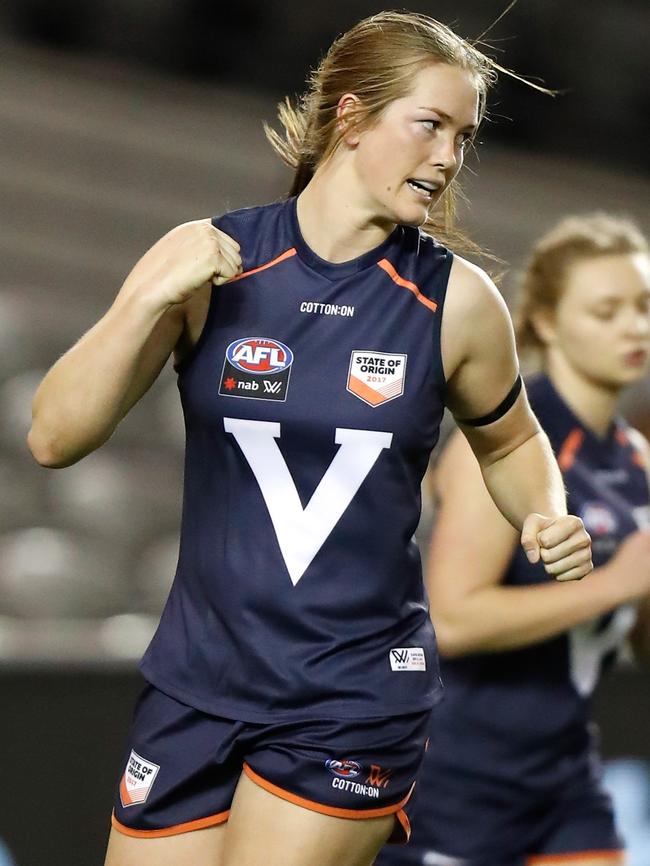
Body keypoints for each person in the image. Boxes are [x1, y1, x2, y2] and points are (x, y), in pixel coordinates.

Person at [27, 12, 592, 866]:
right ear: (352, 117)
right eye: (430, 125)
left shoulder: (457, 302)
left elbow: (511, 442)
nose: (448, 158)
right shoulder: (207, 257)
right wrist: (144, 302)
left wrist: (545, 515)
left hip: (354, 691)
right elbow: (52, 439)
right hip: (197, 682)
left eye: (464, 137)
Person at [375, 213, 650, 866]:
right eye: (606, 310)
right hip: (456, 770)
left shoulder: (638, 460)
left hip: (561, 768)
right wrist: (617, 583)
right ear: (548, 322)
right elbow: (453, 617)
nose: (634, 326)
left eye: (643, 306)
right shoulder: (508, 446)